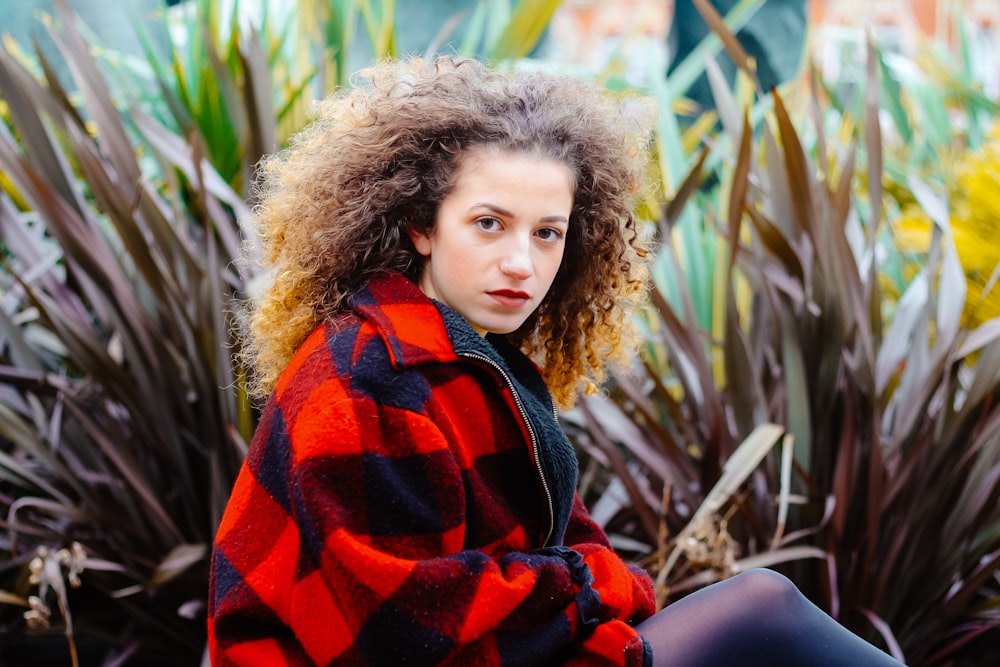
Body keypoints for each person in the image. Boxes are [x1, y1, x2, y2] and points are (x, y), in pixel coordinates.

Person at [208, 56, 906, 666]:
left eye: (549, 233)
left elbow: (561, 535)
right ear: (420, 224)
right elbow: (404, 629)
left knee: (756, 617)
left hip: (492, 647)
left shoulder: (473, 357)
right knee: (760, 608)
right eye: (489, 223)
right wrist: (592, 587)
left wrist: (591, 583)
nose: (521, 262)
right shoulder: (370, 377)